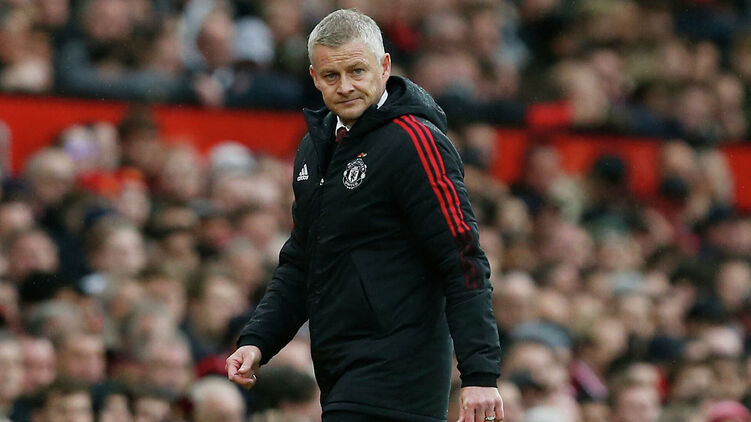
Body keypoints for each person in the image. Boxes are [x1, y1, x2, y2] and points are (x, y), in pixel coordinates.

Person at [226, 9, 503, 422]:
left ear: (384, 66)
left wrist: (479, 374)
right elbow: (302, 260)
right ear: (314, 77)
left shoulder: (415, 142)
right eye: (331, 75)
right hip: (339, 369)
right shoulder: (315, 147)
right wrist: (258, 339)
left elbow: (462, 258)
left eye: (357, 70)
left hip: (399, 373)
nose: (346, 86)